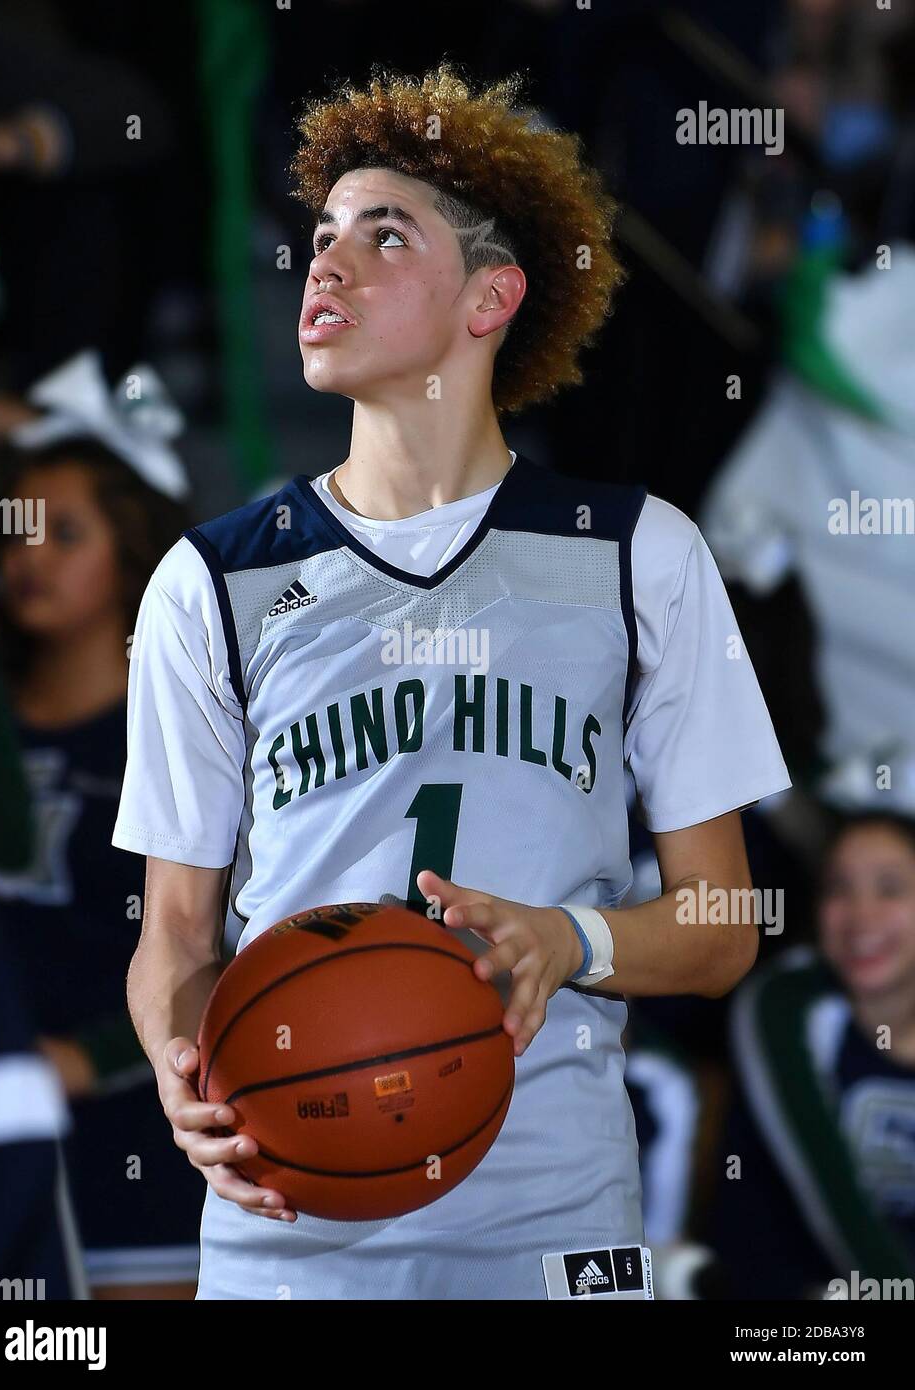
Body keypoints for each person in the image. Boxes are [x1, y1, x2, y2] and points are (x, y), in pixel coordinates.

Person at [115, 65, 790, 1301]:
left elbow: (722, 925)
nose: (326, 266)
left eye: (384, 235)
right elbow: (176, 933)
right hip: (287, 1207)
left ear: (493, 297)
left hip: (548, 1213)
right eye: (320, 238)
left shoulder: (639, 553)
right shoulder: (207, 579)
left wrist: (567, 938)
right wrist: (176, 1064)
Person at [0, 351, 206, 1298]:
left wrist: (90, 1059)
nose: (30, 557)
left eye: (67, 535)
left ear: (134, 549)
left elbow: (226, 943)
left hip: (136, 1134)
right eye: (19, 534)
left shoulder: (179, 727)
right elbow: (1, 844)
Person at [710, 813, 915, 1299]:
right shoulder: (784, 1003)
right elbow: (832, 1197)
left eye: (889, 889)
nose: (861, 915)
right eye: (838, 889)